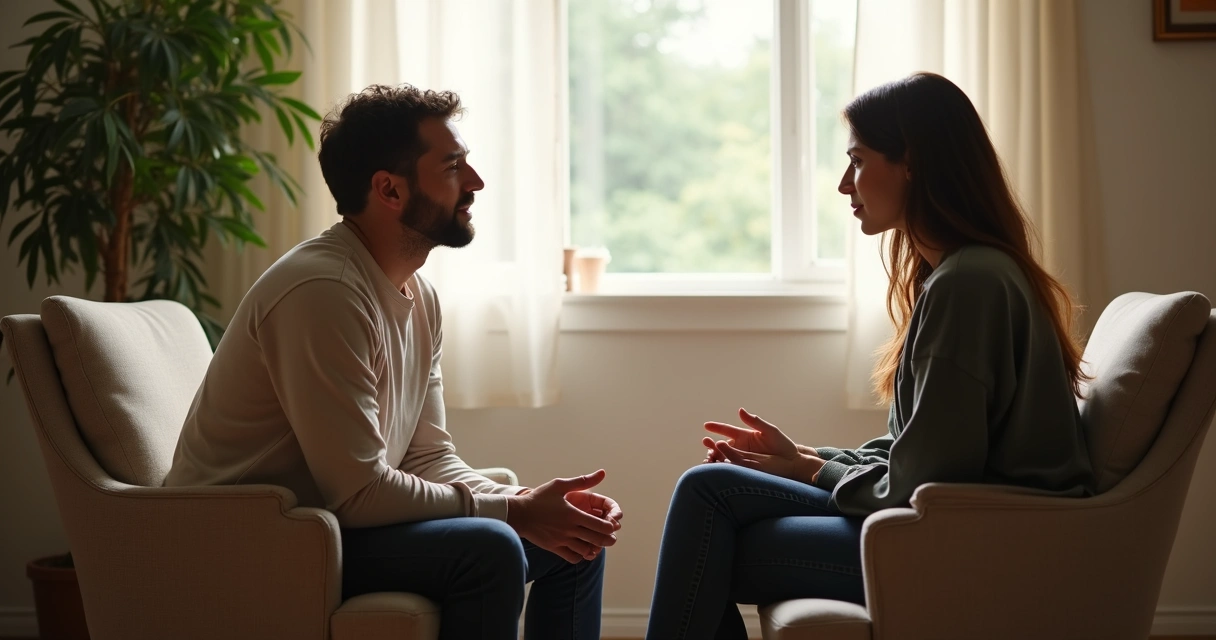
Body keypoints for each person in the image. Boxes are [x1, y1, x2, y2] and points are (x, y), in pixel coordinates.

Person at [643, 72, 1095, 639]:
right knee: (712, 498)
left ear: (912, 163)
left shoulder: (970, 284)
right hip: (963, 527)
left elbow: (925, 479)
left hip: (982, 544)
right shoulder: (964, 275)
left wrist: (811, 468)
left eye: (857, 160)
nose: (843, 184)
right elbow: (924, 449)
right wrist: (807, 454)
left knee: (708, 500)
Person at [164, 84, 623, 640]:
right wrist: (509, 514)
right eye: (453, 166)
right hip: (251, 541)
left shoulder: (419, 296)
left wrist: (523, 503)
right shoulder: (323, 290)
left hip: (325, 524)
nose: (476, 183)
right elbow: (358, 492)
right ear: (388, 189)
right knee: (493, 548)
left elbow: (426, 454)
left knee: (575, 541)